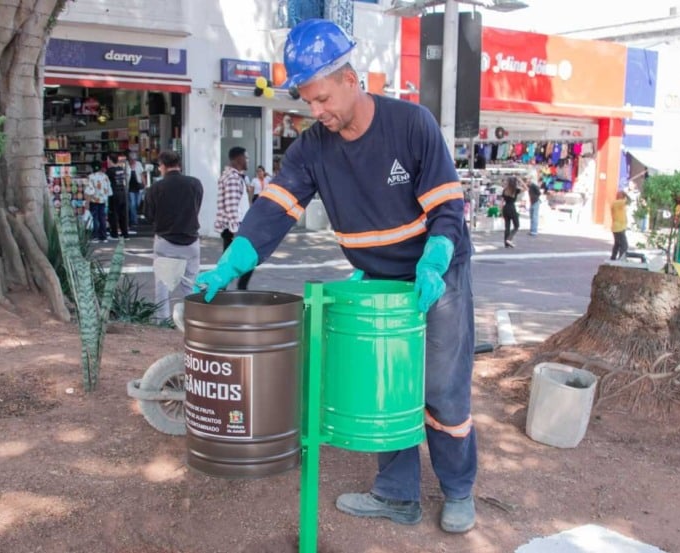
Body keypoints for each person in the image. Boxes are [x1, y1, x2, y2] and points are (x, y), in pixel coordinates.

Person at [194, 19, 477, 534]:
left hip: (437, 272)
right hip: (378, 277)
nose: (316, 111)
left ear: (350, 79)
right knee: (384, 379)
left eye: (322, 98)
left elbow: (447, 208)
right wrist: (231, 263)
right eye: (309, 102)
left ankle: (459, 490)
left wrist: (435, 260)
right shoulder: (311, 149)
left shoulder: (411, 124)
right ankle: (397, 495)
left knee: (441, 386)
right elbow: (273, 211)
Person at [143, 150, 203, 323]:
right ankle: (194, 320)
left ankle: (162, 321)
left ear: (162, 165)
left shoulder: (156, 188)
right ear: (179, 165)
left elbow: (148, 215)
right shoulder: (195, 184)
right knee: (190, 285)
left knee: (162, 287)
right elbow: (197, 207)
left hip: (165, 241)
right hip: (191, 240)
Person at [213, 146, 253, 290]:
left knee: (231, 263)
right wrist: (236, 231)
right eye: (246, 157)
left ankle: (222, 289)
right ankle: (237, 289)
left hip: (234, 228)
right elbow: (232, 206)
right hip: (235, 228)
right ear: (238, 159)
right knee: (248, 259)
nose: (248, 160)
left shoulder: (234, 176)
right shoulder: (232, 178)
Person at [84, 162, 112, 243]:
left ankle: (95, 236)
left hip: (94, 200)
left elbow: (89, 191)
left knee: (94, 218)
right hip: (103, 200)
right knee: (102, 218)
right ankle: (103, 236)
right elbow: (109, 190)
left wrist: (87, 202)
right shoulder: (105, 176)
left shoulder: (90, 177)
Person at [105, 153, 129, 240]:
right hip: (122, 192)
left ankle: (114, 234)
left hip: (113, 193)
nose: (107, 161)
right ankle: (125, 233)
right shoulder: (121, 169)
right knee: (123, 214)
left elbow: (106, 182)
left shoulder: (109, 171)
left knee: (113, 214)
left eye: (108, 160)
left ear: (110, 160)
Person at [125, 152, 147, 229]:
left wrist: (145, 184)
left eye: (134, 159)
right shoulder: (126, 165)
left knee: (137, 203)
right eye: (132, 159)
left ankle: (133, 217)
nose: (133, 161)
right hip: (130, 188)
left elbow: (142, 175)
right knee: (133, 204)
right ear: (129, 159)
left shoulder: (138, 164)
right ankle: (134, 221)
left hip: (139, 187)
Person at [501, 176, 521, 248]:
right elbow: (526, 189)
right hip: (512, 208)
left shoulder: (505, 190)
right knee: (516, 225)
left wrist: (501, 211)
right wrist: (520, 180)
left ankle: (506, 244)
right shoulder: (516, 190)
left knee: (507, 226)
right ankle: (509, 239)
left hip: (505, 208)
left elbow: (502, 201)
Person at [610, 190, 629, 260]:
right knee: (624, 245)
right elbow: (628, 201)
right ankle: (621, 259)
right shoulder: (618, 202)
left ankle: (613, 257)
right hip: (619, 227)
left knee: (617, 244)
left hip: (618, 227)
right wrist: (626, 195)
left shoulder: (617, 203)